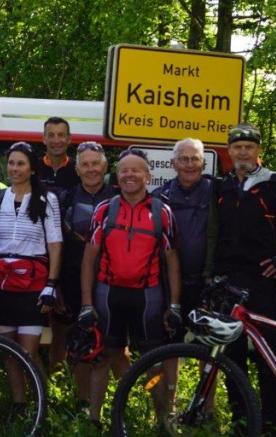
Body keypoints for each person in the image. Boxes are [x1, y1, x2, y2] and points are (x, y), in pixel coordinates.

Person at [214, 123, 276, 432]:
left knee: (268, 353)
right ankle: (241, 419)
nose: (243, 152)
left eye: (249, 147)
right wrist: (208, 274)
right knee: (233, 353)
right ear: (229, 151)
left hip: (263, 280)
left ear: (258, 151)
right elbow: (212, 234)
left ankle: (270, 421)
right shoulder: (221, 186)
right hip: (229, 281)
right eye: (237, 147)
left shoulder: (274, 183)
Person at [79, 150, 181, 427]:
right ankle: (94, 419)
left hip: (148, 296)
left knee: (154, 363)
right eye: (124, 170)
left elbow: (172, 260)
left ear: (148, 176)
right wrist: (87, 303)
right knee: (102, 357)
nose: (129, 175)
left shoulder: (162, 212)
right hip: (108, 294)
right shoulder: (105, 209)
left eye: (136, 170)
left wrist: (174, 305)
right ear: (117, 176)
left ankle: (162, 421)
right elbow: (89, 256)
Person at [0, 141, 62, 376]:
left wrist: (52, 284)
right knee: (8, 353)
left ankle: (42, 404)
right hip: (1, 283)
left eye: (21, 164)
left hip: (32, 285)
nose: (15, 168)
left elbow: (55, 244)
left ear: (32, 169)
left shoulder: (47, 199)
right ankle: (19, 405)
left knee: (28, 354)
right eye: (11, 163)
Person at [53, 141, 115, 412]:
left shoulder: (119, 196)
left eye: (95, 164)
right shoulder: (65, 198)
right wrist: (55, 286)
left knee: (109, 348)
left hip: (111, 283)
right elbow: (55, 245)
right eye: (85, 165)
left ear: (105, 166)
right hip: (72, 280)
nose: (91, 169)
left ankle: (101, 409)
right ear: (77, 169)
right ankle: (81, 404)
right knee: (79, 347)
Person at [151, 138, 217, 333]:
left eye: (194, 159)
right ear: (173, 164)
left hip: (207, 284)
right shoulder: (159, 196)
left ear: (203, 163)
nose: (189, 165)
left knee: (207, 344)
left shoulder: (218, 193)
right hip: (167, 284)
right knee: (169, 341)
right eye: (183, 159)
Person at [34, 116, 79, 197]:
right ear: (44, 139)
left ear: (69, 139)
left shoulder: (79, 170)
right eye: (51, 135)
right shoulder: (33, 168)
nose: (56, 141)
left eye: (61, 135)